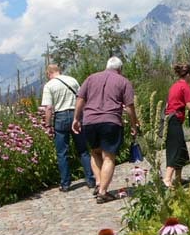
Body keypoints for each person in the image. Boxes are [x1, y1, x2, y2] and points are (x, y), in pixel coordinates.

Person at [72, 56, 139, 204]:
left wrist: (76, 118)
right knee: (108, 156)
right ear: (120, 69)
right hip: (110, 121)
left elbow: (80, 99)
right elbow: (129, 106)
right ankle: (103, 192)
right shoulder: (123, 81)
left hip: (89, 121)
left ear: (107, 66)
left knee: (95, 152)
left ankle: (98, 183)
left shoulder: (91, 78)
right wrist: (134, 125)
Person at [41, 64, 96, 192]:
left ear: (49, 73)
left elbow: (48, 108)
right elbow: (82, 98)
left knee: (62, 153)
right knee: (83, 150)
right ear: (59, 71)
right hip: (76, 115)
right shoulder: (72, 80)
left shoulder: (49, 85)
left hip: (60, 118)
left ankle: (65, 184)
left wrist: (48, 124)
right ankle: (90, 179)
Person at [163, 62, 190, 188]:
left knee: (181, 148)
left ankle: (178, 179)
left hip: (170, 119)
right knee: (176, 149)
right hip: (175, 120)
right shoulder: (185, 86)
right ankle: (167, 179)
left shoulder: (174, 86)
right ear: (188, 74)